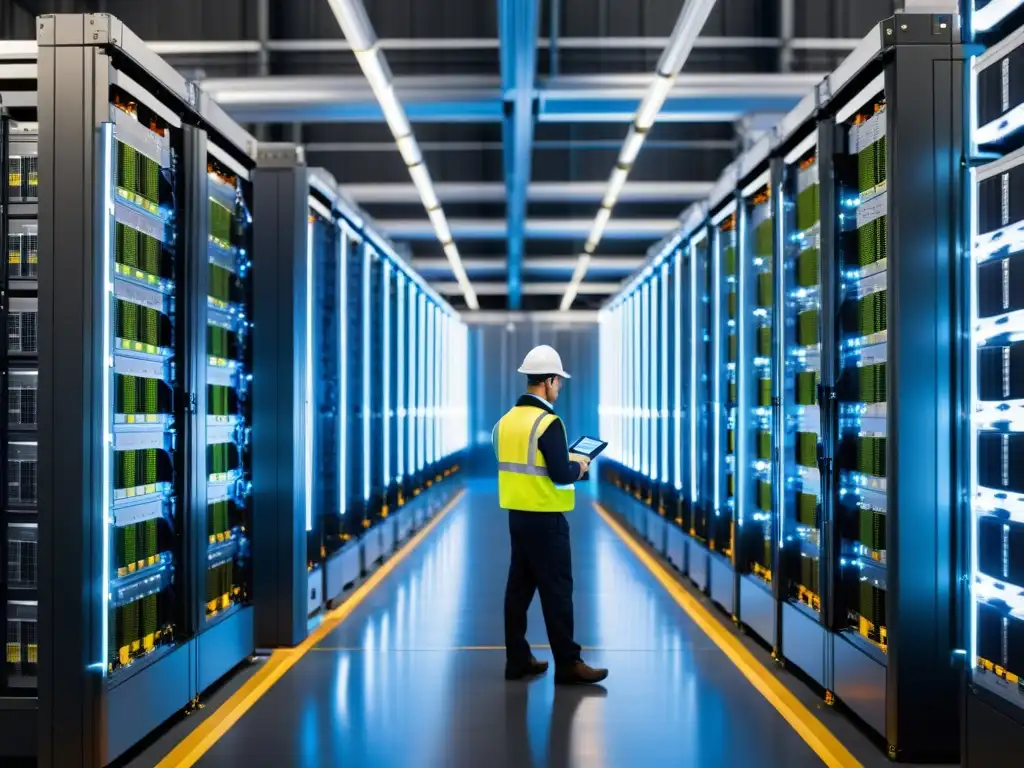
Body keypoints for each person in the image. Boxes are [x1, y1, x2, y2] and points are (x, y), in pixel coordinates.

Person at [492, 344, 609, 685]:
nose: (559, 388)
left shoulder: (505, 423)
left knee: (518, 591)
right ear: (549, 381)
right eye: (558, 382)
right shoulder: (548, 423)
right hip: (547, 519)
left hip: (518, 517)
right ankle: (569, 664)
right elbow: (560, 473)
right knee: (557, 592)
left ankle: (517, 659)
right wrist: (580, 465)